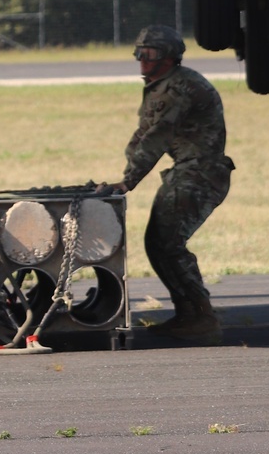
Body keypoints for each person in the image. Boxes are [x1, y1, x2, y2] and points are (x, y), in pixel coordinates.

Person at [95, 24, 234, 343]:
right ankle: (190, 314)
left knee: (166, 243)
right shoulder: (164, 85)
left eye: (151, 54)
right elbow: (143, 135)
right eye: (139, 53)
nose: (143, 60)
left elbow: (156, 138)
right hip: (190, 170)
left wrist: (127, 181)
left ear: (170, 57)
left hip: (199, 172)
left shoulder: (176, 89)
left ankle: (200, 316)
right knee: (161, 243)